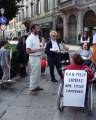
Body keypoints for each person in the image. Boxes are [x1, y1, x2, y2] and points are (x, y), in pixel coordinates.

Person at [26, 24, 44, 95]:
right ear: (33, 29)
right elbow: (28, 51)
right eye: (37, 28)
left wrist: (42, 44)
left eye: (39, 28)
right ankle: (32, 88)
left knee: (37, 73)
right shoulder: (30, 38)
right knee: (33, 73)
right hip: (33, 58)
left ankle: (36, 86)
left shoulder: (36, 37)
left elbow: (39, 47)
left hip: (37, 57)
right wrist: (39, 49)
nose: (39, 29)